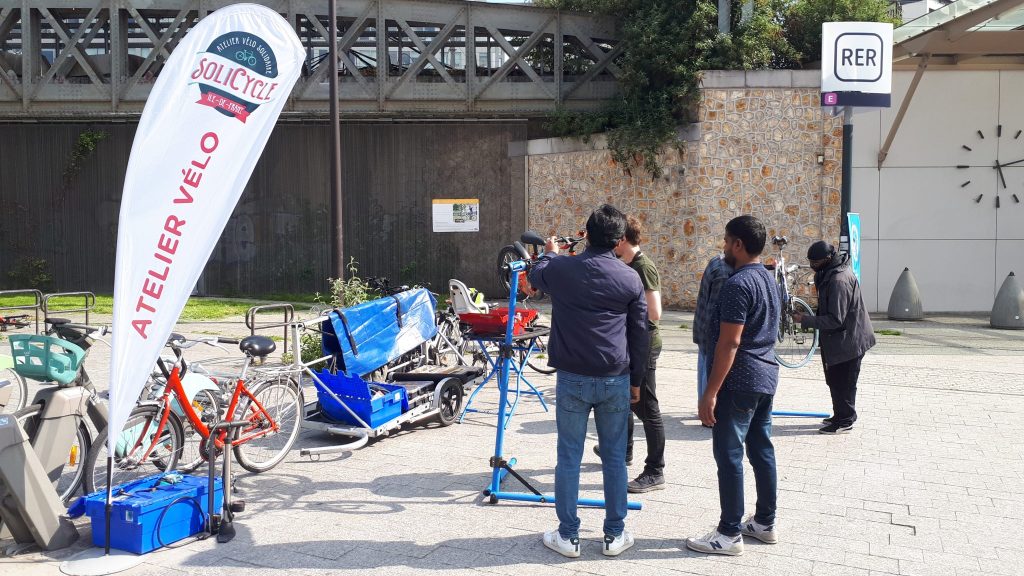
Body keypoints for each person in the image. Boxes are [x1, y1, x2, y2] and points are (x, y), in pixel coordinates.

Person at [528, 204, 649, 558]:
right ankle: (615, 534)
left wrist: (550, 253)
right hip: (615, 377)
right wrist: (637, 381)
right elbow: (639, 334)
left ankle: (568, 535)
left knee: (569, 456)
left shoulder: (564, 268)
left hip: (572, 377)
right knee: (614, 459)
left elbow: (536, 277)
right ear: (619, 240)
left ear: (588, 234)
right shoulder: (630, 277)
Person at [686, 215, 780, 557]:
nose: (723, 248)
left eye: (726, 241)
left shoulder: (738, 285)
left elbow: (730, 343)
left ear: (738, 244)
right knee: (761, 450)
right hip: (765, 376)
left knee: (729, 455)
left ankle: (728, 533)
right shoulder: (767, 278)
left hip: (739, 380)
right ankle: (765, 523)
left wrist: (709, 392)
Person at [593, 216, 665, 492]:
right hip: (630, 342)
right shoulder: (627, 265)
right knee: (625, 400)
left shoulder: (643, 267)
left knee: (647, 408)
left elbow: (655, 312)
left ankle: (655, 470)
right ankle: (624, 451)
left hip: (644, 344)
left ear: (622, 239)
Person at [792, 241, 876, 435]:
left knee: (843, 382)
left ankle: (845, 420)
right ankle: (841, 414)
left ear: (828, 259)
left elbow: (836, 319)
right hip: (841, 339)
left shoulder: (838, 280)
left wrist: (804, 319)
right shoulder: (831, 272)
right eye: (810, 262)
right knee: (835, 380)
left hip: (849, 340)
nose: (813, 265)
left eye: (816, 262)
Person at [693, 254, 734, 405]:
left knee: (704, 370)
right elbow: (715, 313)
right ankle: (708, 414)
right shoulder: (725, 274)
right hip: (711, 337)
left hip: (702, 331)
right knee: (709, 375)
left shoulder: (717, 261)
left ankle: (703, 407)